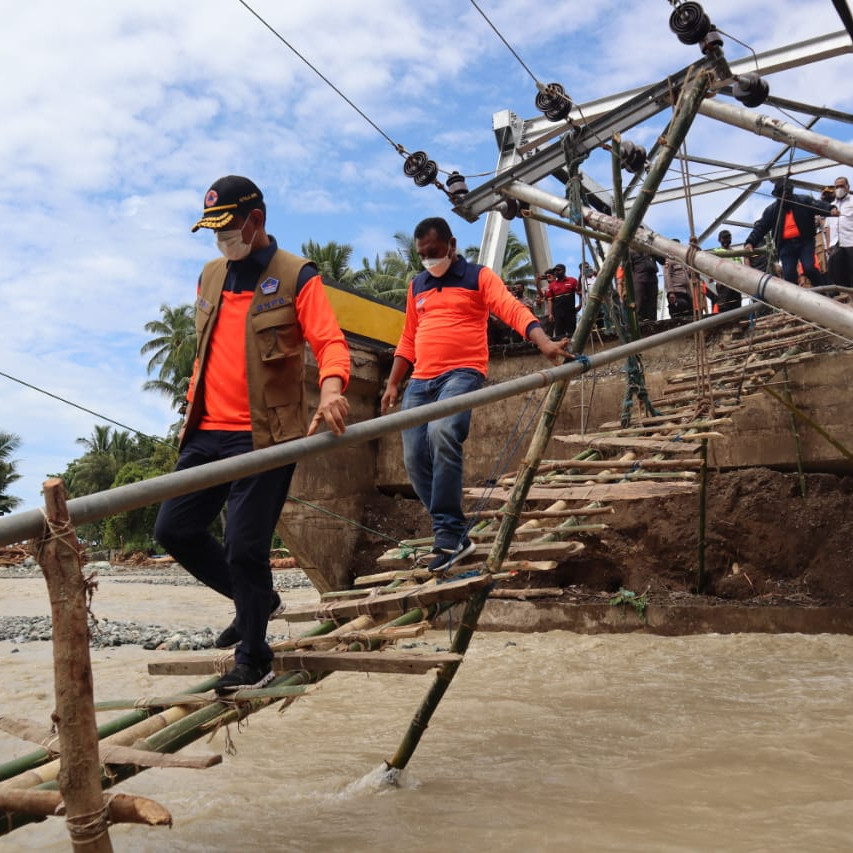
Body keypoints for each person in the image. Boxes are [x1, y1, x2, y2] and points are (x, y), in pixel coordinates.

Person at [154, 175, 351, 695]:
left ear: (255, 220)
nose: (222, 239)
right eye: (213, 230)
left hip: (264, 436)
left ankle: (254, 657)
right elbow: (205, 350)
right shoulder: (210, 275)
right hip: (205, 433)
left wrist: (332, 392)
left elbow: (330, 342)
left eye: (228, 227)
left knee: (245, 546)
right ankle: (257, 603)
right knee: (174, 530)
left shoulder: (295, 276)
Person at [379, 217, 569, 572]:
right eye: (422, 254)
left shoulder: (478, 276)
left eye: (434, 252)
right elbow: (407, 339)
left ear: (451, 245)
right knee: (413, 457)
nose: (428, 260)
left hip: (462, 373)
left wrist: (543, 342)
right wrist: (393, 383)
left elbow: (511, 308)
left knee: (443, 432)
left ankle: (448, 536)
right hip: (420, 380)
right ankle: (455, 533)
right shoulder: (416, 285)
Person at [744, 178, 833, 287]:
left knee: (809, 268)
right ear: (777, 196)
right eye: (781, 196)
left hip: (805, 241)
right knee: (789, 274)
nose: (785, 199)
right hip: (786, 246)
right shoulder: (771, 211)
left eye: (787, 195)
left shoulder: (803, 200)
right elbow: (761, 227)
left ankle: (822, 290)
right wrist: (750, 242)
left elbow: (818, 205)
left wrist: (831, 209)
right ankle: (797, 298)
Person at [540, 263, 582, 338]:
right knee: (559, 333)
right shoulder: (552, 285)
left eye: (558, 270)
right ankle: (562, 349)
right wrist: (550, 314)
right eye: (555, 271)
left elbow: (579, 292)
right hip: (558, 312)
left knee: (572, 332)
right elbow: (550, 300)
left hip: (570, 311)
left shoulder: (572, 280)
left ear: (564, 270)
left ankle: (575, 348)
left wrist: (580, 305)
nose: (556, 272)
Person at [827, 176, 853, 287]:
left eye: (841, 186)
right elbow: (827, 226)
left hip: (850, 240)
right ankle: (847, 296)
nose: (839, 189)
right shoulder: (831, 206)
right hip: (835, 243)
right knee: (836, 272)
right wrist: (828, 243)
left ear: (848, 187)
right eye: (836, 187)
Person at [711, 230, 743, 312]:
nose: (726, 240)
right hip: (723, 283)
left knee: (737, 305)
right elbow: (712, 267)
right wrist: (717, 280)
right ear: (719, 240)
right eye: (723, 238)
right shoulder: (716, 252)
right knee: (724, 306)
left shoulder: (735, 253)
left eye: (727, 238)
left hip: (736, 284)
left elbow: (741, 267)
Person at [662, 249, 693, 320]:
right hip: (676, 292)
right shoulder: (668, 260)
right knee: (678, 317)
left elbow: (687, 278)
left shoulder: (682, 262)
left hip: (686, 293)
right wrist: (671, 292)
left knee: (690, 316)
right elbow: (667, 276)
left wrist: (691, 295)